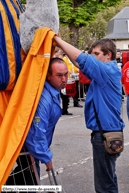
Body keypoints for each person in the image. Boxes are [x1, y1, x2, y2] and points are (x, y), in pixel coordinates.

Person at [53, 36, 125, 193]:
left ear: (108, 55)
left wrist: (56, 39)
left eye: (96, 53)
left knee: (104, 186)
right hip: (110, 132)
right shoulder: (106, 71)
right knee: (108, 179)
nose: (93, 56)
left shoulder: (107, 71)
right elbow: (80, 63)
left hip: (105, 134)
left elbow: (83, 59)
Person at [6, 57, 68, 185]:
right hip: (28, 148)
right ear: (48, 76)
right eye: (59, 75)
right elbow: (36, 132)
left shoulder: (54, 90)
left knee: (23, 178)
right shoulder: (43, 99)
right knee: (31, 184)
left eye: (66, 74)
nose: (64, 79)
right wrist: (46, 156)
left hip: (32, 149)